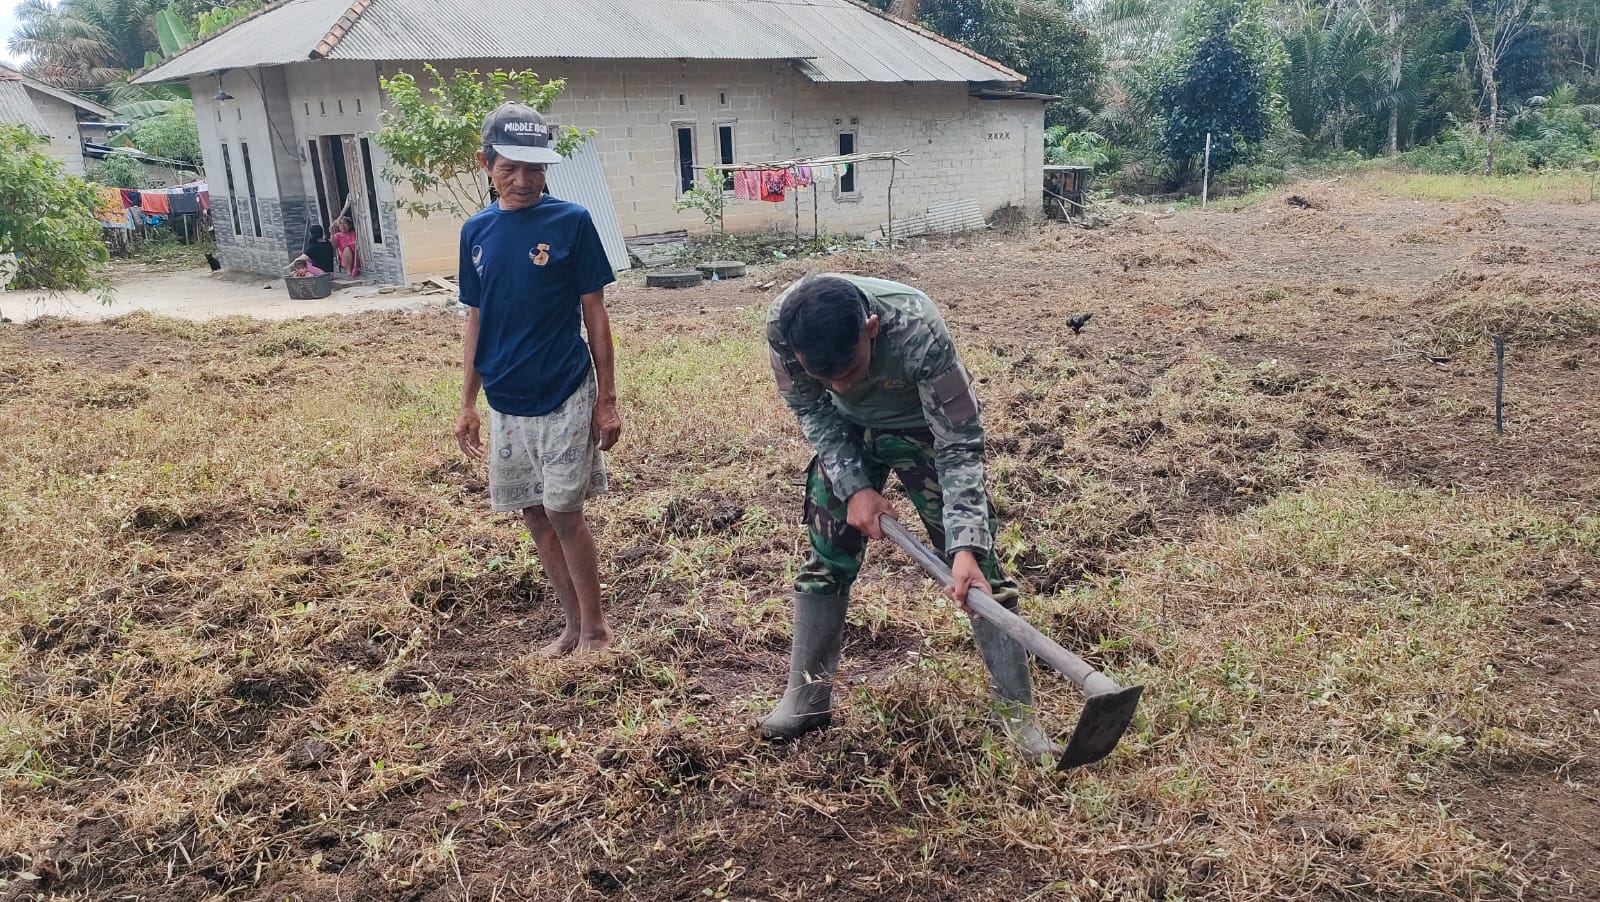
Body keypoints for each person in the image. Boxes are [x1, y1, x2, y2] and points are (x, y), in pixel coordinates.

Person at [757, 274, 1062, 761]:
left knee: (983, 576)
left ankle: (1016, 716)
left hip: (924, 429)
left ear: (872, 328)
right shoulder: (783, 326)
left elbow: (959, 444)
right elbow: (814, 410)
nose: (841, 384)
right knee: (827, 554)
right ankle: (808, 697)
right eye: (826, 375)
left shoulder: (917, 327)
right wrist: (856, 487)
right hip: (847, 431)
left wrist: (964, 549)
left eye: (850, 369)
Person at [454, 102, 621, 656]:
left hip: (565, 390)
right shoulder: (475, 232)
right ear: (485, 164)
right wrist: (467, 403)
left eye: (535, 169)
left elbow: (594, 313)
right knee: (533, 512)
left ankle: (596, 630)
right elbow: (477, 318)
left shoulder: (570, 222)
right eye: (509, 168)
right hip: (506, 399)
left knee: (563, 511)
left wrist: (608, 400)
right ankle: (571, 626)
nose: (523, 181)